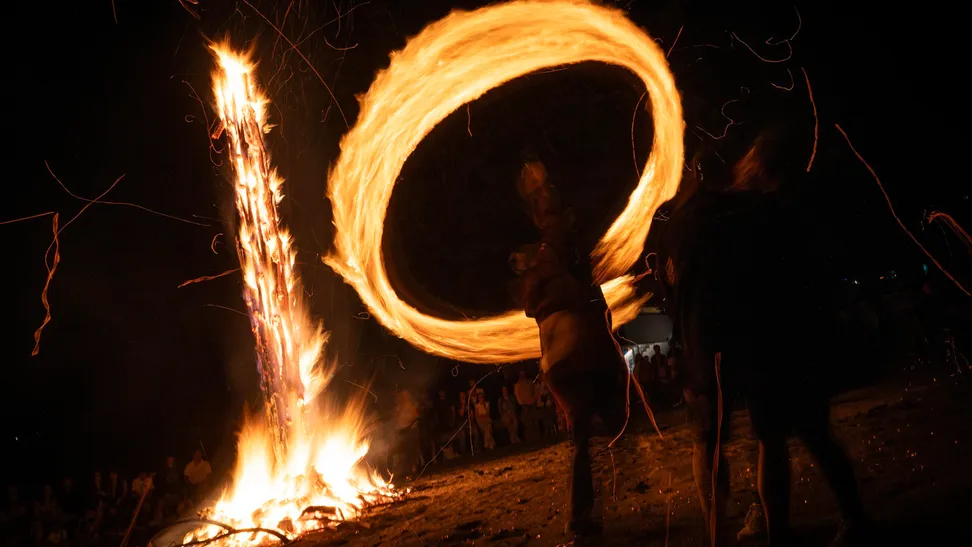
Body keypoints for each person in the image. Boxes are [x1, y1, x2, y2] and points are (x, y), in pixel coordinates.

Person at [655, 137, 866, 546]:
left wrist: (683, 338)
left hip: (713, 346)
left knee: (717, 440)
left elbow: (669, 289)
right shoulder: (753, 210)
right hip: (762, 341)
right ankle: (784, 528)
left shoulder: (678, 225)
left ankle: (727, 531)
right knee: (781, 434)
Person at [511, 158, 627, 537]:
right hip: (574, 355)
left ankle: (583, 513)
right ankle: (583, 513)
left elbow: (533, 304)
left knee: (589, 431)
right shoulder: (556, 251)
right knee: (604, 421)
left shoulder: (550, 258)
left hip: (562, 360)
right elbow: (550, 299)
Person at [513, 370, 538, 441]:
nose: (522, 376)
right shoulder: (517, 385)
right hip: (524, 405)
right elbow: (517, 395)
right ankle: (528, 437)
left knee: (534, 419)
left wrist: (533, 399)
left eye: (523, 374)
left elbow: (534, 391)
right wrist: (522, 404)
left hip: (531, 403)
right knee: (526, 421)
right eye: (521, 375)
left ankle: (536, 435)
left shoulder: (529, 382)